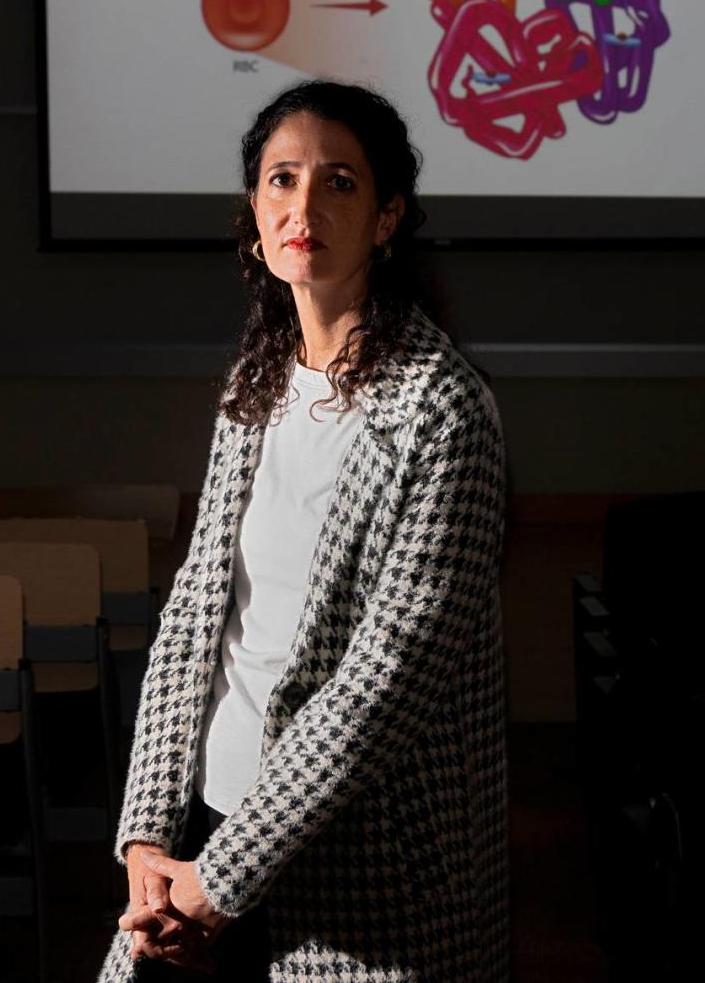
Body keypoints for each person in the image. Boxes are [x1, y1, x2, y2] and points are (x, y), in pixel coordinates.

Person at [98, 80, 509, 983]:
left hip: (357, 870)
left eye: (340, 183)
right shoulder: (257, 384)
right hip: (198, 833)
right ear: (254, 213)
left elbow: (383, 689)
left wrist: (221, 880)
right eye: (282, 180)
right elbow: (191, 628)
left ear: (389, 216)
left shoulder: (443, 409)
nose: (305, 205)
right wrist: (144, 841)